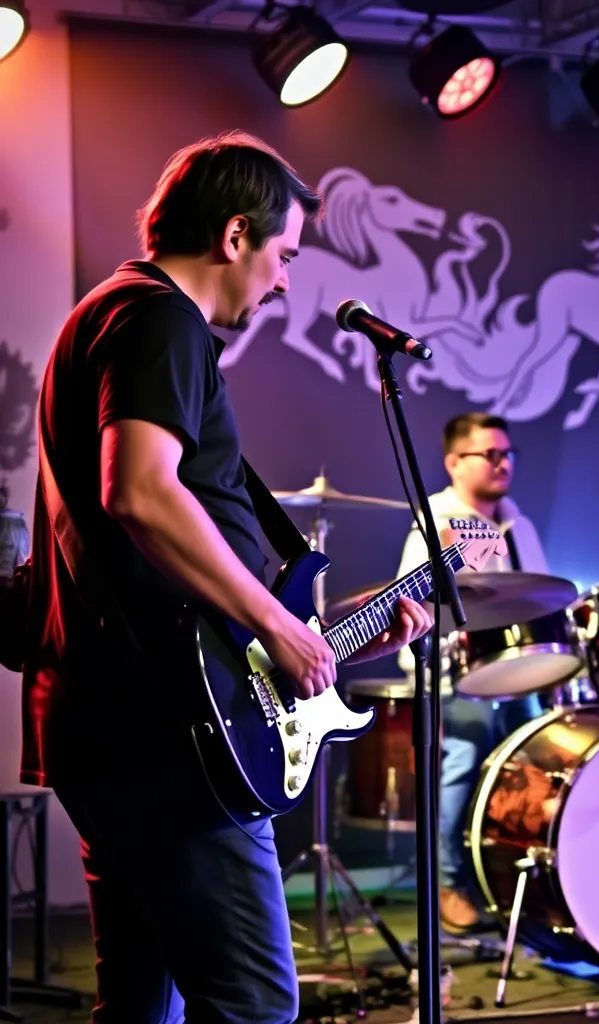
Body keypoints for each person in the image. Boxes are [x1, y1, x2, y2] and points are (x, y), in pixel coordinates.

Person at [20, 132, 433, 1024]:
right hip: (171, 738)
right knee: (251, 1005)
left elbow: (149, 549)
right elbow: (138, 491)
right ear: (237, 235)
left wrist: (322, 628)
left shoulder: (113, 316)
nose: (286, 281)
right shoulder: (157, 317)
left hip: (120, 726)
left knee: (141, 1005)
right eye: (284, 255)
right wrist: (282, 629)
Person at [396, 412, 548, 934]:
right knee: (465, 752)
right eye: (491, 454)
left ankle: (518, 880)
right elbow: (411, 610)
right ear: (454, 463)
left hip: (513, 670)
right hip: (456, 676)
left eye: (509, 454)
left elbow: (537, 600)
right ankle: (446, 881)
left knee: (542, 755)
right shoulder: (435, 521)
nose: (504, 463)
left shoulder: (517, 523)